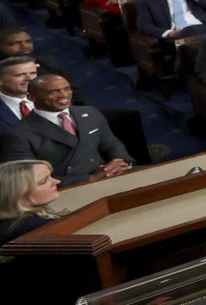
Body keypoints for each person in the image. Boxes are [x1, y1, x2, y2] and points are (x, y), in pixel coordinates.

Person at [0, 75, 133, 185]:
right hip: (65, 189)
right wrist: (89, 179)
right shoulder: (17, 135)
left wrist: (119, 162)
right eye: (53, 91)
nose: (63, 95)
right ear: (32, 98)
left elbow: (111, 144)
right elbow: (28, 181)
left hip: (108, 177)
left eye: (67, 89)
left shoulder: (90, 112)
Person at [0, 159, 63, 245]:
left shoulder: (14, 222)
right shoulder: (35, 227)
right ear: (19, 192)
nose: (57, 181)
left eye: (51, 176)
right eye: (43, 181)